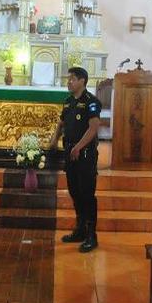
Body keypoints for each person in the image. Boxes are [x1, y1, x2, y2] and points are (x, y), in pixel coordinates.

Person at [50, 67, 101, 253]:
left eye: (72, 79)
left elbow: (94, 127)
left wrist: (79, 146)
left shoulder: (91, 102)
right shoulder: (68, 101)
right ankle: (80, 229)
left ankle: (91, 235)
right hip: (70, 152)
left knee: (87, 193)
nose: (69, 82)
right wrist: (55, 139)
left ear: (82, 81)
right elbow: (62, 123)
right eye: (68, 78)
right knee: (74, 191)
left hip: (85, 154)